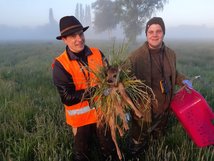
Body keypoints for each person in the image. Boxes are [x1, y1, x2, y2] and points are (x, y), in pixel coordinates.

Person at [52, 15, 118, 161]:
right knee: (82, 155)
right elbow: (67, 98)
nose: (79, 39)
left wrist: (117, 75)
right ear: (64, 39)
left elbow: (109, 74)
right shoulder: (60, 65)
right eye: (73, 36)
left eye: (81, 34)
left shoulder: (97, 53)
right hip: (80, 119)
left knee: (109, 150)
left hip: (102, 114)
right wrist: (95, 91)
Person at [125, 17, 192, 158]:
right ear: (146, 34)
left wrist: (183, 80)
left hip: (165, 107)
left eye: (158, 31)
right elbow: (122, 79)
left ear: (163, 33)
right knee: (138, 141)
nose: (155, 35)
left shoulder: (170, 53)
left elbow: (174, 73)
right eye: (151, 32)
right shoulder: (135, 57)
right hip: (144, 109)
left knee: (157, 140)